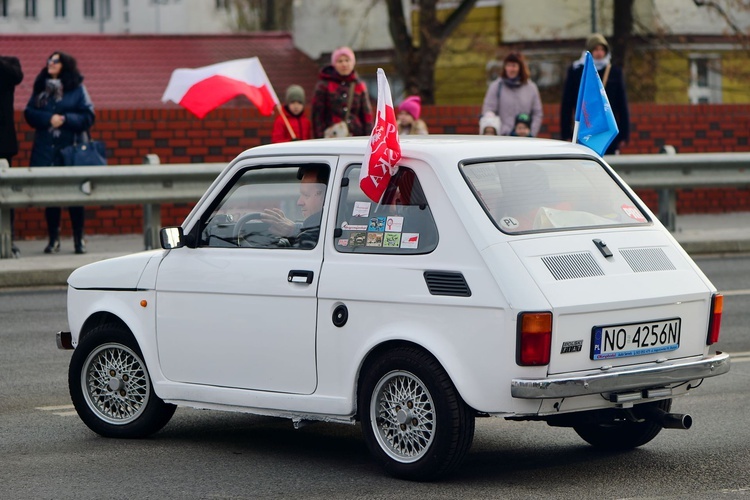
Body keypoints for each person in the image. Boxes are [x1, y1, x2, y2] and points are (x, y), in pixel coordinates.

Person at [25, 51, 95, 254]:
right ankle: (53, 239)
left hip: (70, 149)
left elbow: (88, 115)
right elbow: (29, 113)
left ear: (64, 65)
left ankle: (78, 239)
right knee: (51, 195)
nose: (50, 63)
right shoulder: (41, 88)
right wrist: (48, 119)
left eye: (55, 61)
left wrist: (64, 119)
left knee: (75, 196)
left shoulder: (76, 88)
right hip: (47, 149)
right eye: (49, 60)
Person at [560, 33, 630, 154]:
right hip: (585, 125)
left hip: (606, 127)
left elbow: (622, 104)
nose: (599, 53)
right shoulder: (577, 70)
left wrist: (624, 134)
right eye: (596, 49)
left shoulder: (613, 72)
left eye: (602, 49)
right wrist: (566, 132)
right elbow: (567, 103)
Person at [260, 165, 329, 249]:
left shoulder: (309, 240)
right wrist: (294, 230)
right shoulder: (340, 224)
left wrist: (298, 233)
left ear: (325, 196)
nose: (299, 202)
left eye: (306, 195)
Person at [312, 46, 373, 138]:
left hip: (356, 136)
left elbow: (367, 115)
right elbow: (317, 116)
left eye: (347, 60)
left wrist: (369, 137)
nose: (344, 64)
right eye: (340, 61)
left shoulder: (359, 86)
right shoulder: (324, 86)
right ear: (334, 64)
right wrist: (319, 138)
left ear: (353, 63)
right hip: (332, 137)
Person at [481, 52, 543, 137]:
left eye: (514, 66)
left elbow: (537, 113)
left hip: (524, 138)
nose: (511, 69)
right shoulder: (496, 86)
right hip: (503, 137)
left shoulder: (531, 88)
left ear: (520, 68)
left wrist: (531, 132)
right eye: (508, 65)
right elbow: (488, 110)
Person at [0, 54, 23, 257]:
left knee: (5, 194)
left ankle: (8, 238)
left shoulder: (9, 64)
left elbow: (16, 77)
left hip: (3, 145)